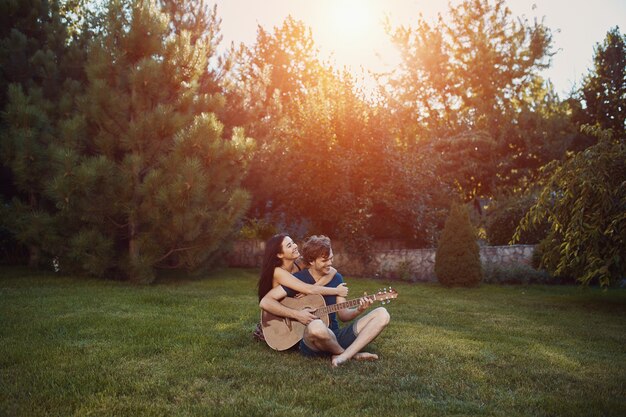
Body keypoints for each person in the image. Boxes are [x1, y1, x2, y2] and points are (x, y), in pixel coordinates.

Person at [260, 235, 390, 367]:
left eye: (331, 258)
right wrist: (298, 314)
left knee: (382, 313)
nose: (329, 263)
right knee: (316, 326)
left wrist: (359, 309)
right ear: (311, 261)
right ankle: (350, 354)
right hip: (312, 340)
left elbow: (343, 315)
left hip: (334, 334)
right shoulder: (297, 279)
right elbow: (268, 301)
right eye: (324, 260)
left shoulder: (336, 278)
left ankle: (342, 356)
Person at [253, 233, 349, 341]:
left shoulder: (299, 263)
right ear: (280, 254)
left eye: (293, 242)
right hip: (278, 318)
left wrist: (311, 289)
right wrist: (336, 291)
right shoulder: (278, 272)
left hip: (296, 310)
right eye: (289, 245)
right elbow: (309, 289)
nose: (295, 246)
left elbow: (331, 270)